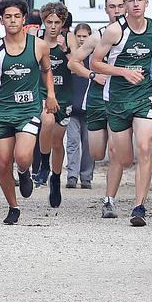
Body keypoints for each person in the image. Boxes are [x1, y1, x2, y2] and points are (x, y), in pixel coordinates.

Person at [91, 0, 152, 227]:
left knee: (145, 147)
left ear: (147, 3)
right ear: (124, 5)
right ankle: (112, 196)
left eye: (140, 0)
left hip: (144, 95)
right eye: (131, 1)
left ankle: (139, 207)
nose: (136, 4)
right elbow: (95, 63)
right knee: (123, 158)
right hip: (117, 98)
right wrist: (122, 72)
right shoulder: (115, 31)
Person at [0, 0, 54, 224]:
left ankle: (25, 172)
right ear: (1, 20)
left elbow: (47, 70)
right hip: (2, 112)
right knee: (3, 162)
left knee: (23, 156)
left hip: (28, 110)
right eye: (8, 17)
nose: (13, 21)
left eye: (17, 16)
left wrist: (51, 96)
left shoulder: (38, 45)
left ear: (24, 19)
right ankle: (13, 206)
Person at [68, 0, 124, 217]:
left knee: (115, 149)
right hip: (97, 99)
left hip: (121, 100)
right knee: (98, 152)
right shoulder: (97, 36)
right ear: (106, 9)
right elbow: (73, 63)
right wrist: (92, 75)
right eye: (112, 7)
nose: (117, 11)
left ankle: (109, 200)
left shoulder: (137, 34)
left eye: (121, 6)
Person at [36, 2, 72, 207]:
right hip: (43, 93)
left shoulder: (69, 38)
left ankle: (56, 179)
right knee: (47, 122)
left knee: (58, 142)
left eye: (57, 22)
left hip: (64, 96)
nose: (52, 26)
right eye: (49, 22)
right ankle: (43, 164)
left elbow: (76, 64)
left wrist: (66, 50)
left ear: (62, 23)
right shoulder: (36, 40)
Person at [65, 23, 94, 189]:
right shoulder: (70, 58)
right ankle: (72, 175)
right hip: (72, 107)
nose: (82, 39)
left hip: (89, 107)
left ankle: (86, 177)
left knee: (89, 143)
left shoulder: (95, 56)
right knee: (73, 142)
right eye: (79, 36)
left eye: (85, 36)